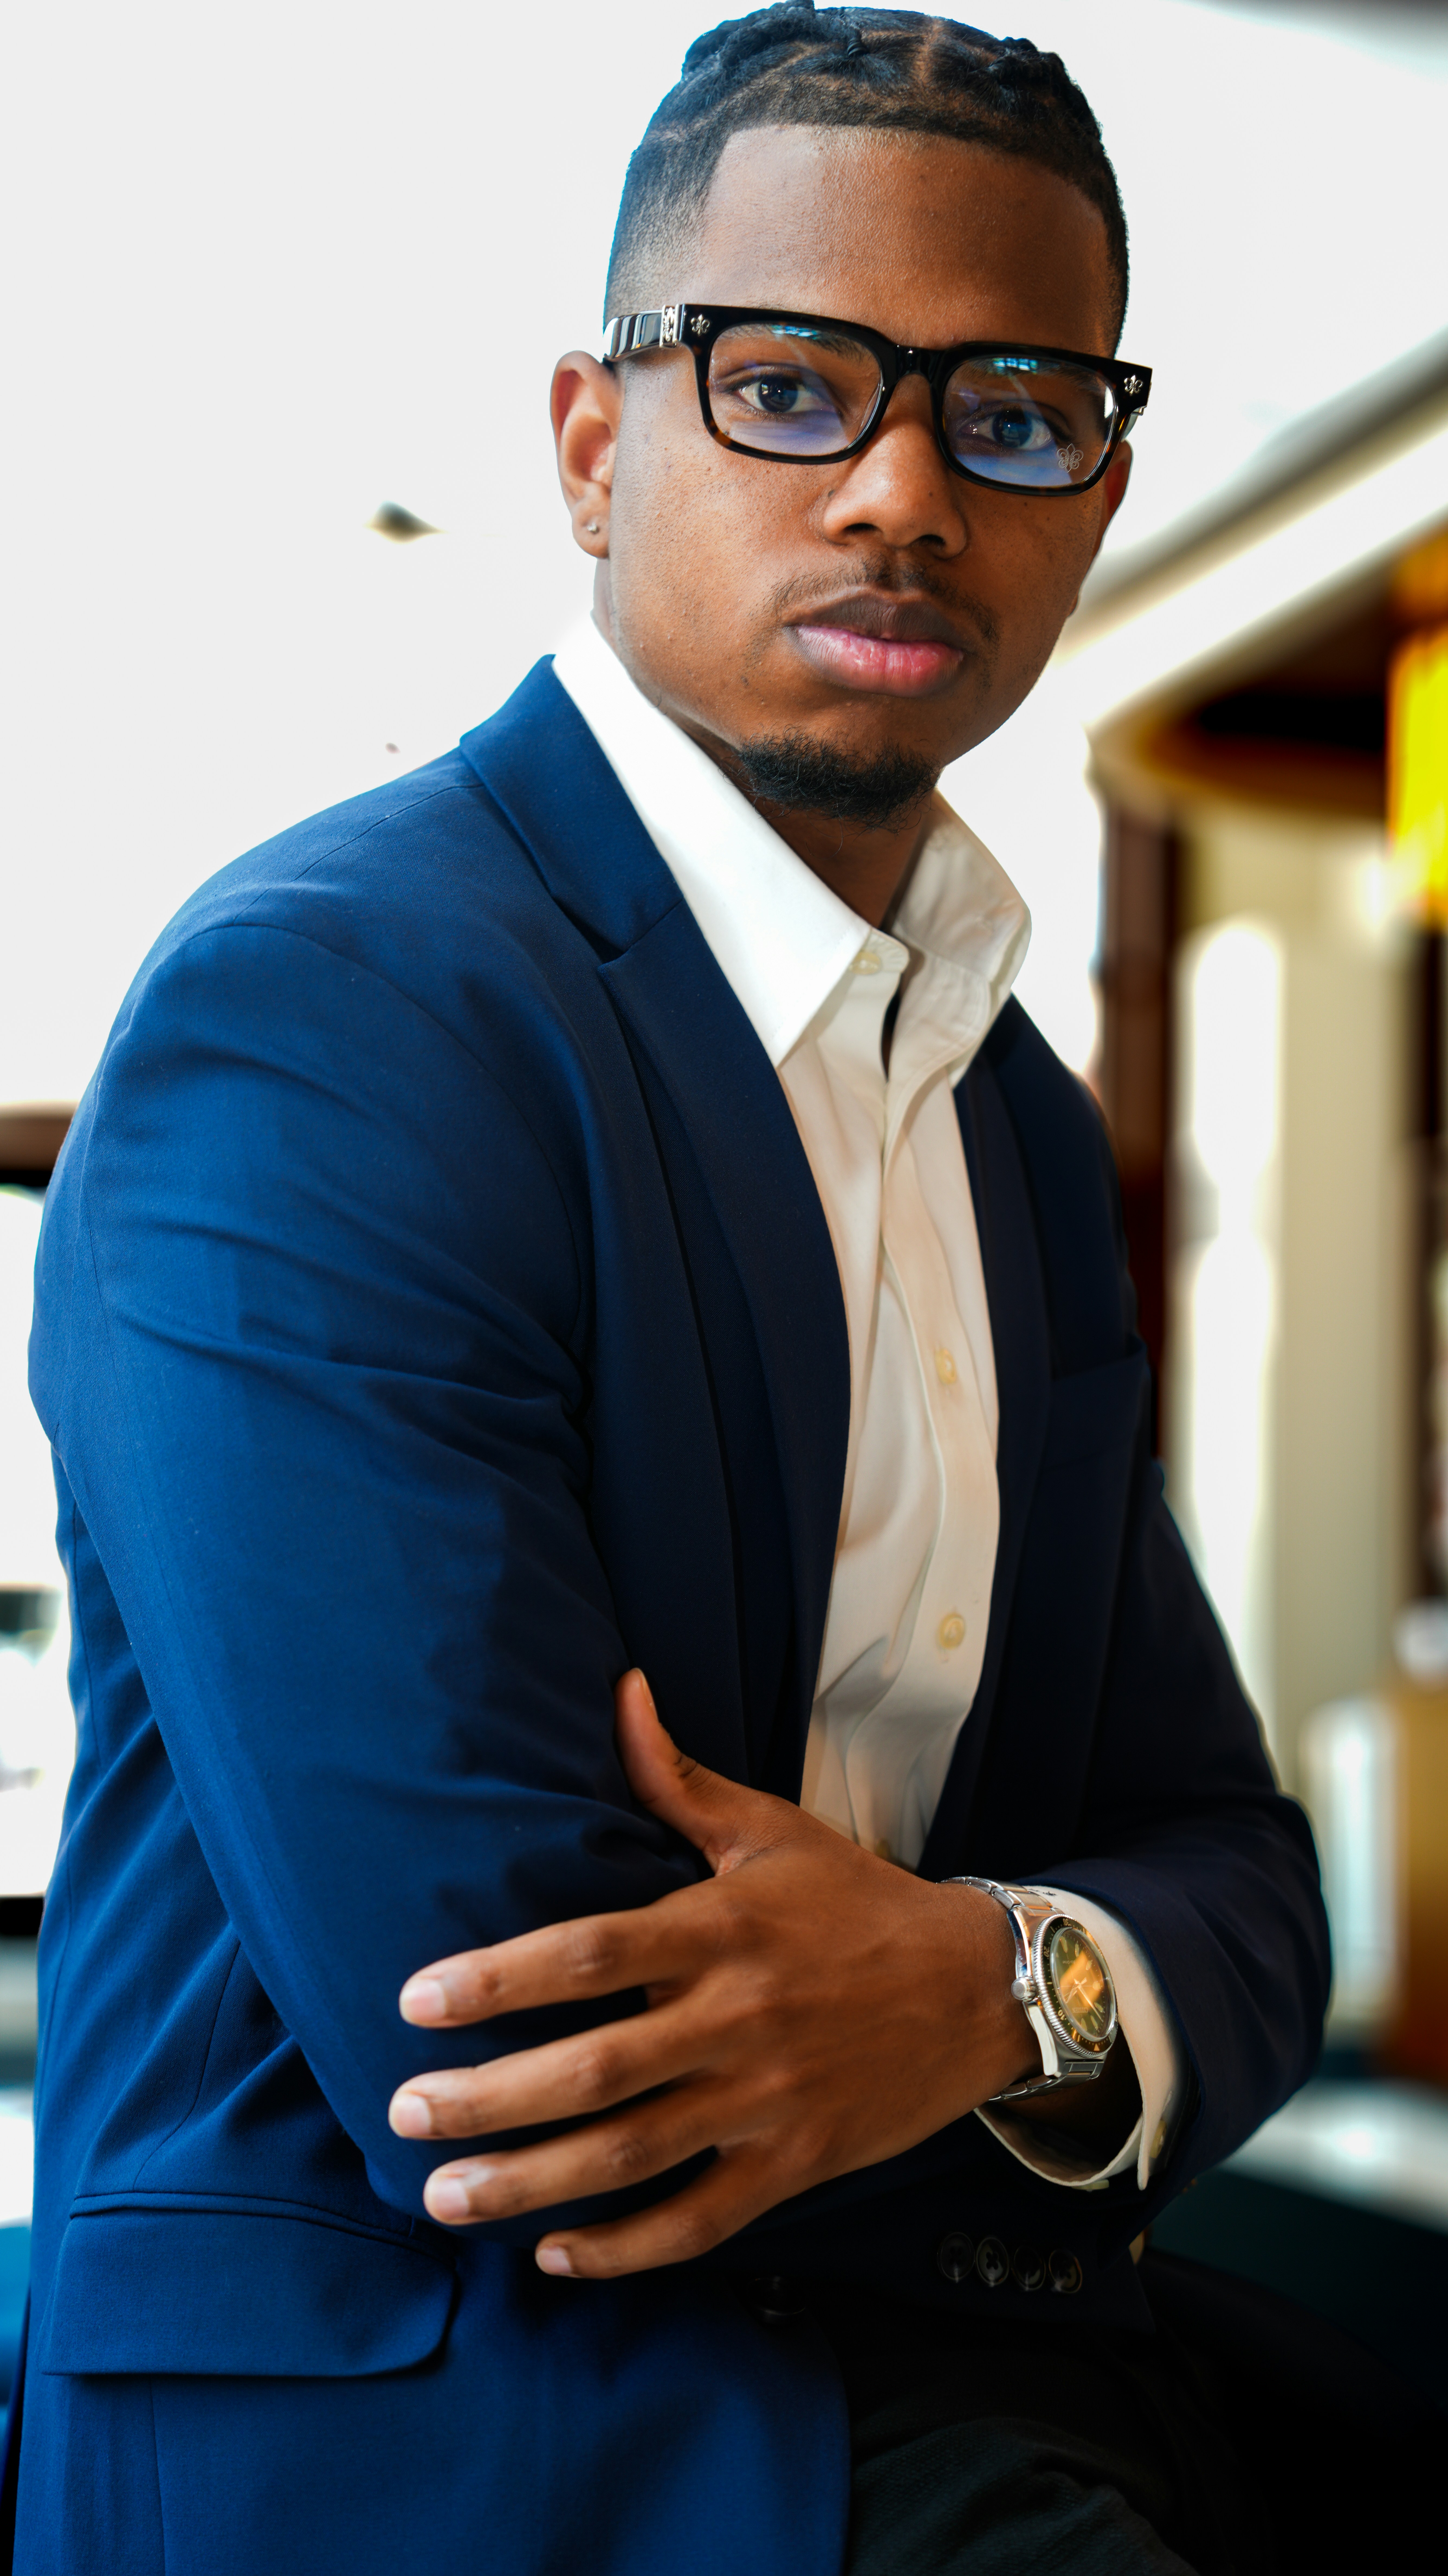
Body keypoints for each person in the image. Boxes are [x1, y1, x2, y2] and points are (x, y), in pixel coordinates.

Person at [10, 9, 1329, 2572]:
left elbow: (1240, 1880)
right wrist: (1067, 2004)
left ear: (1098, 486)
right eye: (792, 385)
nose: (905, 488)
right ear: (599, 443)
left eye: (1011, 409)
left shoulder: (1006, 1116)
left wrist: (981, 1989)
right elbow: (511, 2023)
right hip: (461, 2431)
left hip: (958, 2374)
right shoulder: (339, 1013)